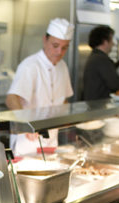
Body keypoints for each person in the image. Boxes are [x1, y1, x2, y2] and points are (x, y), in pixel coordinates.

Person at [5, 18, 74, 155]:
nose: (59, 51)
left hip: (52, 140)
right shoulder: (30, 65)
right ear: (45, 40)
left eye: (64, 47)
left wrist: (70, 121)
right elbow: (11, 99)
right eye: (55, 45)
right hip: (28, 142)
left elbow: (63, 101)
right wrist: (26, 125)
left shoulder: (62, 67)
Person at [82, 25, 119, 100]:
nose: (113, 44)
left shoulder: (95, 57)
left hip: (94, 105)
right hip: (99, 106)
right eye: (111, 40)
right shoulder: (101, 59)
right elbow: (115, 84)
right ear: (105, 42)